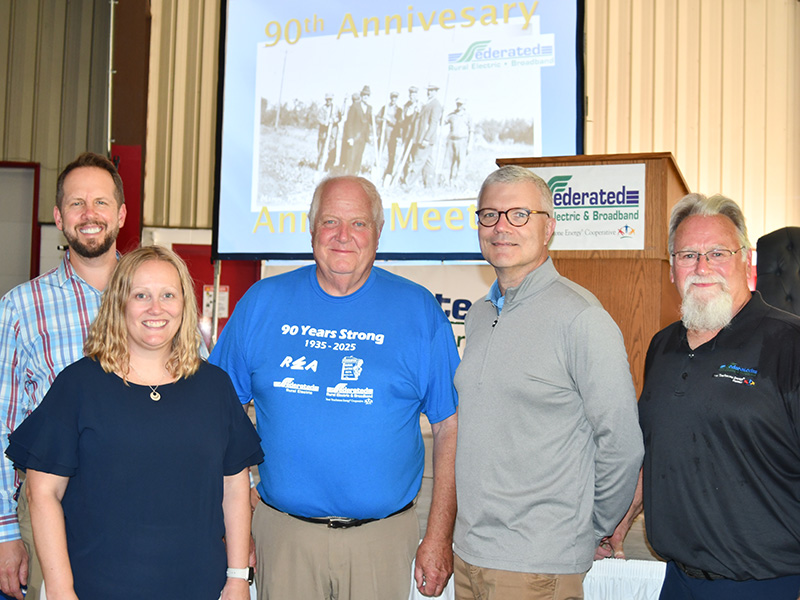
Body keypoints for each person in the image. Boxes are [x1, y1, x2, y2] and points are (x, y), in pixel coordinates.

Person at [209, 175, 460, 600]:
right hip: (283, 536)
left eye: (358, 223)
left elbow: (450, 426)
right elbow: (216, 414)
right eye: (330, 222)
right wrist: (234, 519)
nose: (343, 236)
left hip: (382, 541)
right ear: (311, 230)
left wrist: (438, 536)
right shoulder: (262, 303)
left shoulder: (418, 311)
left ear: (378, 232)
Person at [5, 245, 264, 599]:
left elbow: (234, 487)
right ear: (118, 303)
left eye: (168, 295)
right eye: (141, 295)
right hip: (96, 587)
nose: (156, 308)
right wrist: (62, 590)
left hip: (199, 586)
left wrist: (237, 577)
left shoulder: (214, 387)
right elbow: (42, 493)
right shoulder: (78, 386)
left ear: (184, 304)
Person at [453, 166, 644, 600]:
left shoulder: (581, 318)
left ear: (549, 227)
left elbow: (621, 443)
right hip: (470, 556)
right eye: (489, 215)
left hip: (538, 567)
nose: (501, 227)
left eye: (519, 214)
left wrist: (589, 528)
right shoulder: (480, 314)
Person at [603, 193, 800, 599]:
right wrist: (620, 519)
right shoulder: (661, 346)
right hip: (678, 581)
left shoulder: (789, 343)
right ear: (672, 268)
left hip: (769, 585)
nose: (702, 267)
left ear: (747, 261)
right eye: (688, 255)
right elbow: (657, 450)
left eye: (718, 253)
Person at [0, 152, 127, 600]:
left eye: (101, 202)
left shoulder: (159, 300)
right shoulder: (20, 308)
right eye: (76, 203)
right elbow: (3, 422)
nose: (89, 214)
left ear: (121, 214)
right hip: (50, 509)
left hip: (146, 507)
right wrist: (5, 530)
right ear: (58, 217)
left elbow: (202, 402)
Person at [405, 83, 443, 187]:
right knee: (428, 163)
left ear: (436, 92)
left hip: (425, 139)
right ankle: (430, 186)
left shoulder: (436, 104)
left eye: (431, 90)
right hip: (421, 137)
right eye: (428, 90)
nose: (429, 92)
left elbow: (433, 123)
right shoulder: (427, 103)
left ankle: (408, 184)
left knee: (418, 160)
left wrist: (426, 138)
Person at [385, 86, 421, 183]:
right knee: (405, 157)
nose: (412, 96)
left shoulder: (420, 106)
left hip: (415, 136)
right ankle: (405, 177)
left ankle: (413, 180)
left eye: (414, 95)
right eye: (411, 95)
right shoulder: (406, 106)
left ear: (417, 95)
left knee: (415, 157)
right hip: (406, 135)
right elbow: (401, 121)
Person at [341, 85, 373, 175]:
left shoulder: (370, 108)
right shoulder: (355, 106)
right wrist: (350, 137)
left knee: (358, 159)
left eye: (367, 95)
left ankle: (355, 177)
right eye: (364, 95)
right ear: (361, 96)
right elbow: (349, 123)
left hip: (363, 138)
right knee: (350, 159)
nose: (366, 97)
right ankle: (347, 177)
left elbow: (370, 123)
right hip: (354, 138)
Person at [444, 99, 473, 183]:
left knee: (461, 163)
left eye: (460, 104)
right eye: (458, 104)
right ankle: (446, 180)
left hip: (462, 141)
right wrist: (443, 113)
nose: (459, 106)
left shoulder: (467, 116)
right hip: (451, 140)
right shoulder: (452, 115)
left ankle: (458, 182)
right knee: (448, 162)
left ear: (464, 105)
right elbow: (442, 122)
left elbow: (471, 131)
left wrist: (470, 145)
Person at [315, 93, 343, 171]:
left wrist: (335, 120)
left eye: (330, 99)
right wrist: (325, 123)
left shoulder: (336, 108)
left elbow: (340, 117)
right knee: (321, 150)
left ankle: (328, 166)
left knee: (332, 150)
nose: (329, 101)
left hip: (332, 133)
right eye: (327, 100)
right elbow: (319, 118)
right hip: (323, 133)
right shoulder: (322, 108)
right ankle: (319, 166)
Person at [376, 91, 401, 167]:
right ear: (390, 98)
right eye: (392, 97)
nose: (394, 99)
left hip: (392, 134)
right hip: (383, 133)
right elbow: (377, 118)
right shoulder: (385, 108)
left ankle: (389, 170)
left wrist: (389, 120)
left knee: (391, 153)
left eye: (395, 98)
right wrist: (382, 120)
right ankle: (376, 166)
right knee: (379, 151)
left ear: (397, 99)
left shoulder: (399, 110)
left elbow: (399, 123)